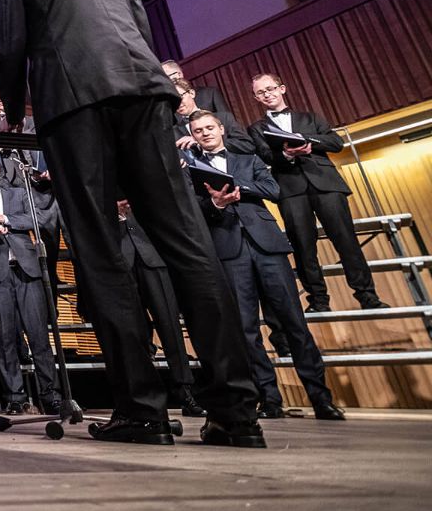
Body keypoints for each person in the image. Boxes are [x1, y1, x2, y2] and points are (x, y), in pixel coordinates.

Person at [0, 0, 261, 448]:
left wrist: (14, 111)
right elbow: (142, 31)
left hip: (73, 100)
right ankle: (236, 412)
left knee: (100, 248)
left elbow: (7, 40)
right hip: (145, 92)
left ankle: (141, 411)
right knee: (187, 242)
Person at [187, 110, 346, 421]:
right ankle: (269, 399)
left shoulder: (247, 160)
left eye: (209, 127)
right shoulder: (191, 171)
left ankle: (320, 398)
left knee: (294, 322)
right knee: (246, 330)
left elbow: (273, 190)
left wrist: (238, 189)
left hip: (268, 247)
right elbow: (192, 211)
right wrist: (216, 203)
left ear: (221, 129)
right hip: (229, 251)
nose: (204, 133)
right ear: (192, 136)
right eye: (198, 130)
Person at [248, 73, 385, 312]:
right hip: (290, 188)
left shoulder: (309, 117)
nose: (267, 94)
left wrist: (307, 141)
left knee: (345, 240)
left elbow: (336, 142)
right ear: (256, 98)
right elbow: (265, 156)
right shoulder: (257, 128)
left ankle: (367, 296)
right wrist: (288, 155)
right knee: (303, 246)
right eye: (261, 92)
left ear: (282, 88)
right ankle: (319, 300)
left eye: (270, 89)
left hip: (326, 183)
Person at [0, 152, 62, 416]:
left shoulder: (17, 193)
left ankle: (51, 395)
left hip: (27, 270)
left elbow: (38, 220)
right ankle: (15, 397)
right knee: (4, 338)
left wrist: (6, 220)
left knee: (39, 335)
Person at [115, 199, 203, 417]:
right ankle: (147, 397)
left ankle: (185, 392)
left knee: (170, 326)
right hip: (119, 259)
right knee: (134, 333)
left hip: (152, 254)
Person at [161, 60, 256, 154]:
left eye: (179, 97)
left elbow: (248, 146)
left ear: (191, 93)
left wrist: (206, 143)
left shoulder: (224, 118)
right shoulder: (174, 132)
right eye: (171, 101)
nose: (177, 103)